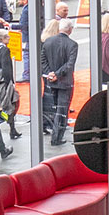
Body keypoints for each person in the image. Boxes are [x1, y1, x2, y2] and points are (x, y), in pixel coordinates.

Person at [42, 18, 80, 146]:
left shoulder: (48, 41)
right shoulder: (72, 44)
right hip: (64, 82)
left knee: (54, 108)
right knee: (62, 110)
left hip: (51, 81)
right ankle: (57, 137)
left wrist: (50, 74)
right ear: (70, 30)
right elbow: (70, 65)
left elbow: (43, 61)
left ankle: (55, 134)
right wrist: (57, 74)